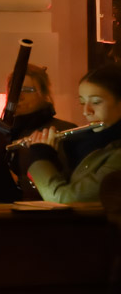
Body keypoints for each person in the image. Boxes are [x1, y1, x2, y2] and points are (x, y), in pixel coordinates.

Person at [20, 62, 121, 204]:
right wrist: (53, 161)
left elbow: (65, 199)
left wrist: (41, 158)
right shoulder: (87, 145)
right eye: (82, 102)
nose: (86, 111)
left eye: (96, 102)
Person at [6, 63, 76, 143]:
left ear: (43, 94)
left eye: (27, 90)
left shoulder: (65, 131)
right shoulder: (0, 133)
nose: (18, 96)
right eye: (13, 90)